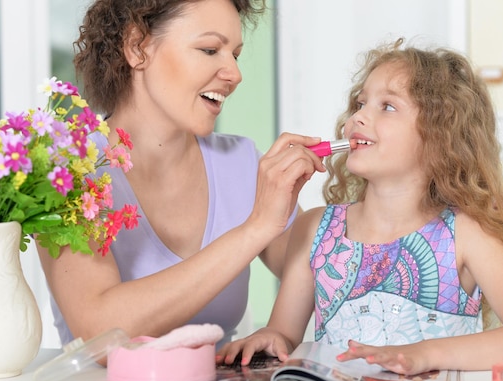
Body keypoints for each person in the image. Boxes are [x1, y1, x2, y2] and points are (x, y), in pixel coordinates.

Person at [217, 38, 503, 375]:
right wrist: (267, 337)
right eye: (360, 103)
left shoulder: (466, 235)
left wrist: (423, 354)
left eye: (388, 106)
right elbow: (283, 333)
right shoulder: (315, 229)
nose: (358, 117)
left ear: (441, 139)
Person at [36, 0, 325, 349]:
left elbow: (322, 271)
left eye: (234, 54)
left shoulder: (243, 163)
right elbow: (101, 335)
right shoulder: (68, 174)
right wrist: (256, 229)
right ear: (137, 47)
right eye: (209, 49)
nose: (234, 74)